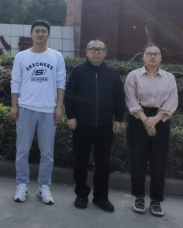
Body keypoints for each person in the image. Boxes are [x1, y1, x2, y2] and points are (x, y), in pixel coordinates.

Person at [65, 40, 125, 212]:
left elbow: (119, 96)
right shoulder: (78, 71)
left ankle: (101, 197)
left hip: (105, 124)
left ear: (105, 52)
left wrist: (118, 119)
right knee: (81, 161)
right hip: (82, 123)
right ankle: (81, 194)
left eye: (100, 49)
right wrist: (71, 116)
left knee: (103, 163)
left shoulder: (112, 72)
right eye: (93, 49)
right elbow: (70, 95)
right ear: (87, 52)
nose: (96, 52)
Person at [11, 20, 66, 205]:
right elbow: (15, 82)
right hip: (25, 108)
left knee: (47, 153)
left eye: (43, 31)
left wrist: (59, 107)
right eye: (37, 31)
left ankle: (44, 186)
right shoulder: (21, 56)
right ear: (31, 34)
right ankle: (22, 185)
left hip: (48, 110)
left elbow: (61, 82)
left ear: (48, 34)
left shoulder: (56, 56)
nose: (40, 34)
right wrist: (14, 105)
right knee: (22, 151)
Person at [124, 43, 178, 217]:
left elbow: (172, 101)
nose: (152, 57)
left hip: (161, 120)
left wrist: (155, 120)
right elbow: (131, 99)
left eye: (156, 54)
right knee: (137, 160)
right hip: (138, 119)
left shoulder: (169, 78)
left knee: (159, 162)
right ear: (143, 57)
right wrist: (146, 120)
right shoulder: (134, 76)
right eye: (149, 54)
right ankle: (139, 197)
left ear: (161, 57)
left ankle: (156, 200)